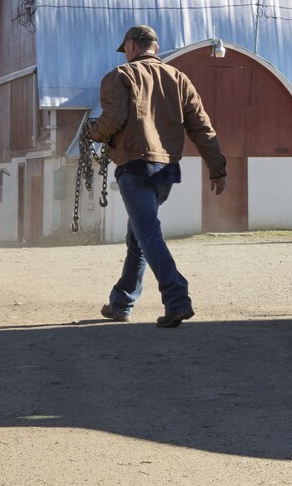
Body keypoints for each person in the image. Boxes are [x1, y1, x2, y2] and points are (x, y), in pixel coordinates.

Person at [82, 25, 227, 327]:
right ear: (156, 48)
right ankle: (121, 302)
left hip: (134, 165)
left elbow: (113, 119)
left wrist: (92, 132)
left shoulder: (120, 76)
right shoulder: (179, 79)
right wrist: (217, 168)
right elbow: (202, 127)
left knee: (147, 232)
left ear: (131, 46)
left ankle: (177, 298)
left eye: (126, 48)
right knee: (138, 236)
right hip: (166, 171)